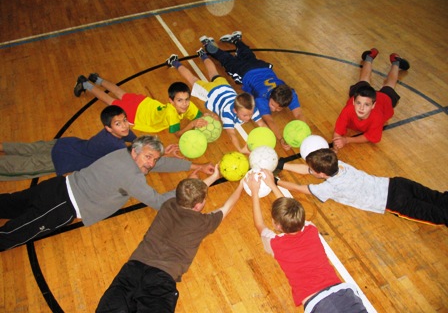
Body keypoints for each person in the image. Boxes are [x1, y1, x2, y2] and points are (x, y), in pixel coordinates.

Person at [0, 135, 216, 251]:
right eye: (148, 157)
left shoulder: (124, 154)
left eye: (154, 158)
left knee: (11, 203)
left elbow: (159, 163)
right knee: (15, 233)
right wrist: (189, 185)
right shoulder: (131, 176)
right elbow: (159, 202)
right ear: (136, 152)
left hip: (56, 187)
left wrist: (193, 165)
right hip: (63, 205)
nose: (151, 163)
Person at [96, 172, 244, 312]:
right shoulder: (202, 222)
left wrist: (215, 175)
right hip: (161, 278)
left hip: (132, 270)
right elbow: (227, 207)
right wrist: (242, 185)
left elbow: (188, 195)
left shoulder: (169, 204)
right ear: (198, 206)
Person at [246, 170, 367, 312]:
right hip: (345, 296)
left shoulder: (275, 245)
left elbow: (259, 226)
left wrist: (254, 192)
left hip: (320, 304)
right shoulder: (311, 229)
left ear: (277, 225)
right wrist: (272, 185)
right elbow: (295, 215)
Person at [277, 148, 447, 226]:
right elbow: (309, 170)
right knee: (437, 197)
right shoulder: (338, 164)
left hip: (396, 201)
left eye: (313, 170)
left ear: (321, 174)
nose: (310, 171)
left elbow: (302, 189)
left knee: (437, 214)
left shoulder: (329, 187)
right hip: (398, 184)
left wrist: (277, 182)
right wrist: (282, 165)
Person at [199, 31, 303, 151]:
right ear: (270, 97)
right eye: (273, 105)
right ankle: (208, 44)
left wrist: (302, 133)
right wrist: (280, 138)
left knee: (248, 55)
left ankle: (237, 40)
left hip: (261, 66)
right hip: (245, 72)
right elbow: (269, 120)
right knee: (227, 60)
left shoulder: (290, 93)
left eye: (278, 108)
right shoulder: (261, 99)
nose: (273, 109)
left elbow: (299, 114)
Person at [166, 49, 267, 154]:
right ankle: (174, 61)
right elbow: (232, 135)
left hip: (224, 86)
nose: (249, 118)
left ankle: (203, 54)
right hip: (210, 92)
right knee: (193, 80)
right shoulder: (227, 114)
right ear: (235, 111)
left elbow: (262, 124)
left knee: (214, 73)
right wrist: (241, 150)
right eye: (245, 115)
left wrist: (269, 138)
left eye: (250, 114)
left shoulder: (250, 106)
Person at [0, 106, 137, 181]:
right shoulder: (117, 145)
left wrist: (136, 140)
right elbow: (129, 162)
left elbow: (129, 135)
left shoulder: (113, 132)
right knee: (24, 165)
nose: (124, 126)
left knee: (31, 148)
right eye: (118, 123)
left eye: (125, 120)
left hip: (65, 144)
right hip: (63, 159)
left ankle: (2, 146)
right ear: (108, 128)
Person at [74, 73, 208, 137]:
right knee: (110, 100)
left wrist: (206, 117)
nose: (184, 104)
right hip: (137, 114)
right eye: (180, 100)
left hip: (145, 103)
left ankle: (96, 79)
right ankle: (85, 83)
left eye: (186, 99)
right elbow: (178, 134)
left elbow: (199, 115)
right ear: (171, 101)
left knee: (121, 93)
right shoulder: (171, 113)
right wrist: (192, 124)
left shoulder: (188, 105)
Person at [333, 48, 410, 150]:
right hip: (365, 95)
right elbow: (337, 132)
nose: (361, 108)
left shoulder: (377, 116)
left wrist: (347, 140)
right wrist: (335, 148)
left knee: (390, 84)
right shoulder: (348, 109)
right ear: (353, 102)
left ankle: (396, 62)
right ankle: (369, 57)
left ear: (373, 105)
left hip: (384, 100)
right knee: (363, 79)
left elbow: (369, 137)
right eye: (358, 103)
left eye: (366, 105)